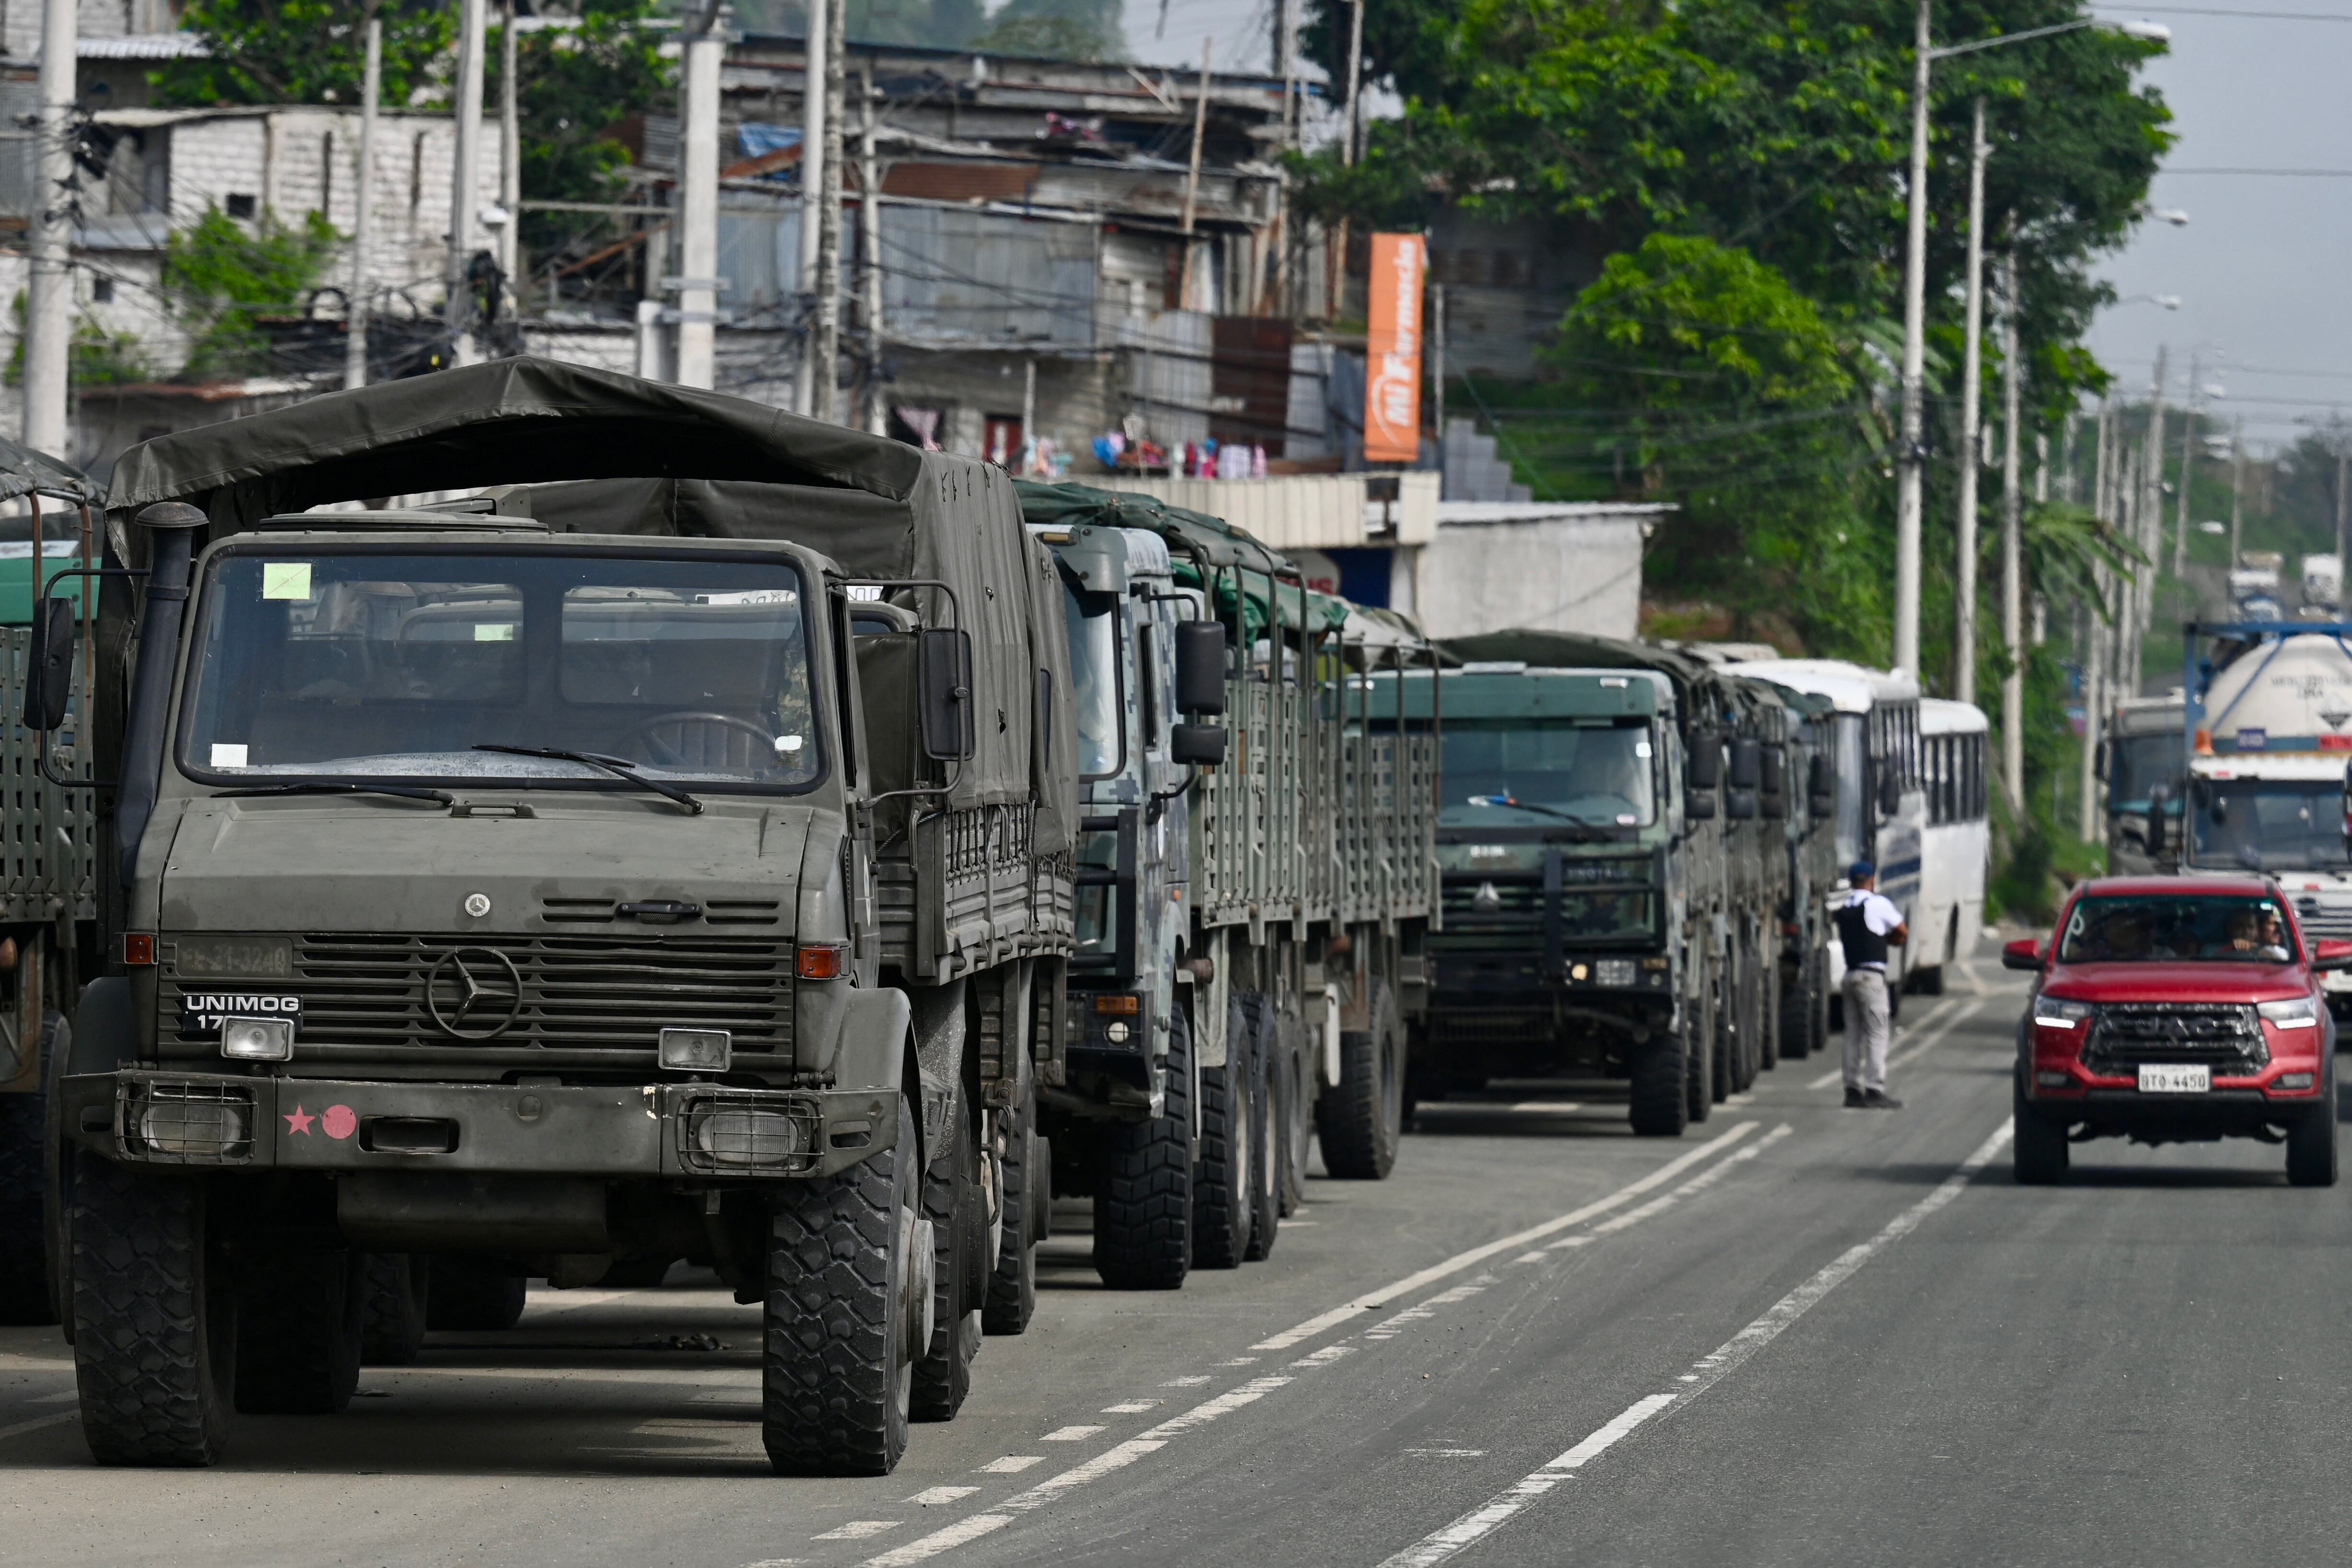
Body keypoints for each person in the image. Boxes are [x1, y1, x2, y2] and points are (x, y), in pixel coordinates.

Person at [1835, 860, 1908, 1109]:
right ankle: (1875, 1088)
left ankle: (1852, 1090)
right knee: (1877, 1033)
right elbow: (1902, 930)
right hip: (1871, 977)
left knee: (1852, 1035)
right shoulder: (1877, 904)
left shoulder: (1846, 907)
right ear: (1872, 880)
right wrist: (1890, 940)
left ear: (1851, 882)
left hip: (1850, 976)